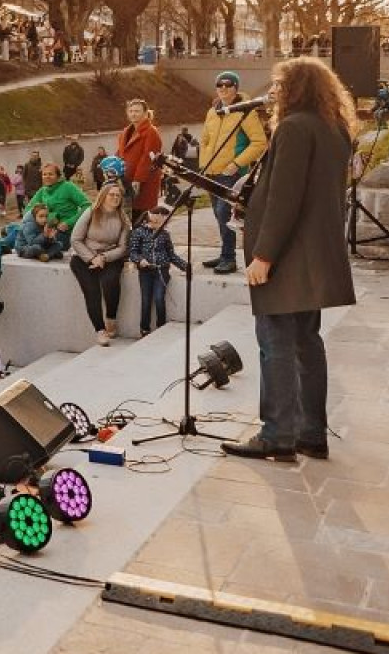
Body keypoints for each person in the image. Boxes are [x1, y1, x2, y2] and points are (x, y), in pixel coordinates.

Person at [222, 59, 358, 462]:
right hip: (313, 254)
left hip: (289, 256)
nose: (275, 91)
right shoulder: (334, 127)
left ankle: (277, 435)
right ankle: (311, 434)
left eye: (281, 84)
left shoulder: (296, 127)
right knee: (306, 342)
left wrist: (264, 255)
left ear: (296, 88)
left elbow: (285, 197)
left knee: (275, 342)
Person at [198, 71, 268, 276]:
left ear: (236, 88)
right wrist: (204, 165)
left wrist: (237, 164)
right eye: (220, 85)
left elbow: (259, 142)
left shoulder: (244, 112)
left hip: (231, 174)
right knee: (218, 214)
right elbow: (205, 140)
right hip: (211, 172)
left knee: (224, 213)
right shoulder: (213, 111)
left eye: (228, 85)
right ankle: (224, 253)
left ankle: (229, 258)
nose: (223, 89)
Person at [69, 184, 130, 345]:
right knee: (92, 291)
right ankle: (100, 330)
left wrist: (104, 257)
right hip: (84, 257)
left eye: (118, 195)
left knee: (110, 282)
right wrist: (91, 258)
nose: (115, 198)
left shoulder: (123, 217)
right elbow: (75, 239)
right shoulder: (90, 212)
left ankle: (111, 317)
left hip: (109, 257)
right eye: (111, 195)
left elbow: (124, 247)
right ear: (103, 196)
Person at [128, 207, 187, 336]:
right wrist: (140, 260)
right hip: (145, 272)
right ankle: (144, 328)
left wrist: (185, 266)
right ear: (155, 217)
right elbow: (132, 252)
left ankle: (161, 327)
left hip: (161, 270)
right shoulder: (139, 232)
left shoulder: (165, 234)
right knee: (146, 300)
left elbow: (171, 255)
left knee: (159, 298)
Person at [116, 98, 164, 213]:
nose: (133, 114)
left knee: (142, 214)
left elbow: (147, 158)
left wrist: (138, 179)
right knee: (128, 214)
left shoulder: (151, 132)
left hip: (143, 181)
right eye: (131, 111)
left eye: (137, 111)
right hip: (126, 179)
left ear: (145, 113)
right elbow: (120, 153)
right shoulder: (125, 132)